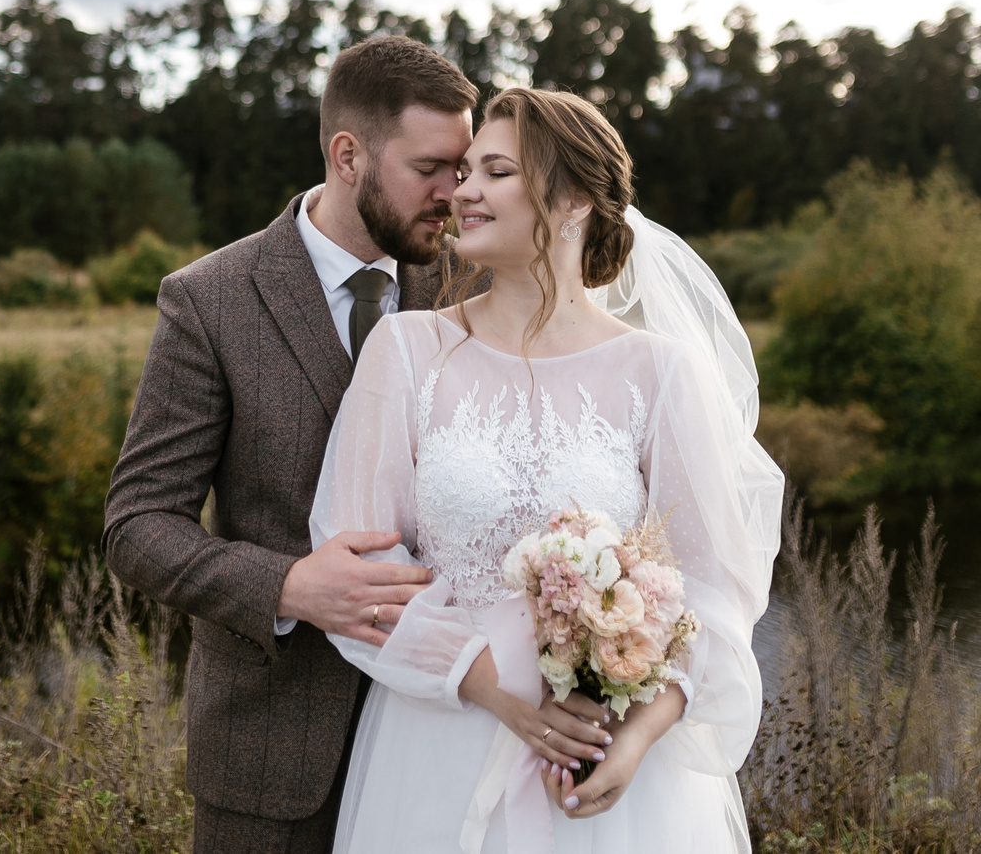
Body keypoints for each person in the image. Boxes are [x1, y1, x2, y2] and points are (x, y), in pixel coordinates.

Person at [311, 87, 784, 852]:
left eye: (494, 171)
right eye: (464, 170)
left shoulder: (660, 372)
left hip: (608, 769)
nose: (462, 190)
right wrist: (493, 686)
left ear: (571, 201)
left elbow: (714, 593)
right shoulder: (404, 352)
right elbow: (360, 567)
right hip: (438, 746)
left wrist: (632, 741)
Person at [104, 36, 481, 853]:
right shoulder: (209, 300)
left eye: (465, 167)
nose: (454, 195)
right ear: (349, 155)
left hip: (442, 738)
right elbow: (137, 525)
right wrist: (289, 587)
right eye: (431, 169)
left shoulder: (474, 290)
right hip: (272, 755)